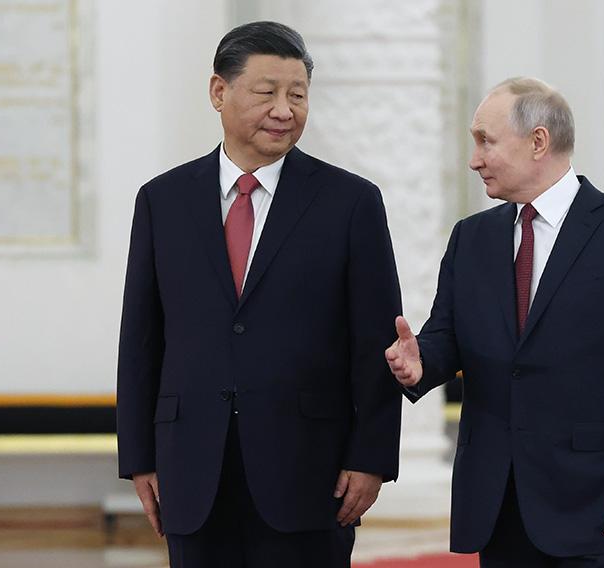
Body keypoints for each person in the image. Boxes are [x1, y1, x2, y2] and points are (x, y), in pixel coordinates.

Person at [117, 21, 403, 568]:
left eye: (297, 95)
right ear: (219, 92)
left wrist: (370, 457)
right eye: (266, 92)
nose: (284, 109)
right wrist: (140, 458)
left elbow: (377, 341)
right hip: (192, 468)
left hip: (310, 472)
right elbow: (141, 338)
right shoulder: (162, 201)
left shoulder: (351, 203)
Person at [385, 77, 604, 567]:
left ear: (538, 141)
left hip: (598, 505)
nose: (474, 158)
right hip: (499, 504)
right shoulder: (472, 238)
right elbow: (447, 337)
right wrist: (419, 362)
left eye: (485, 140)